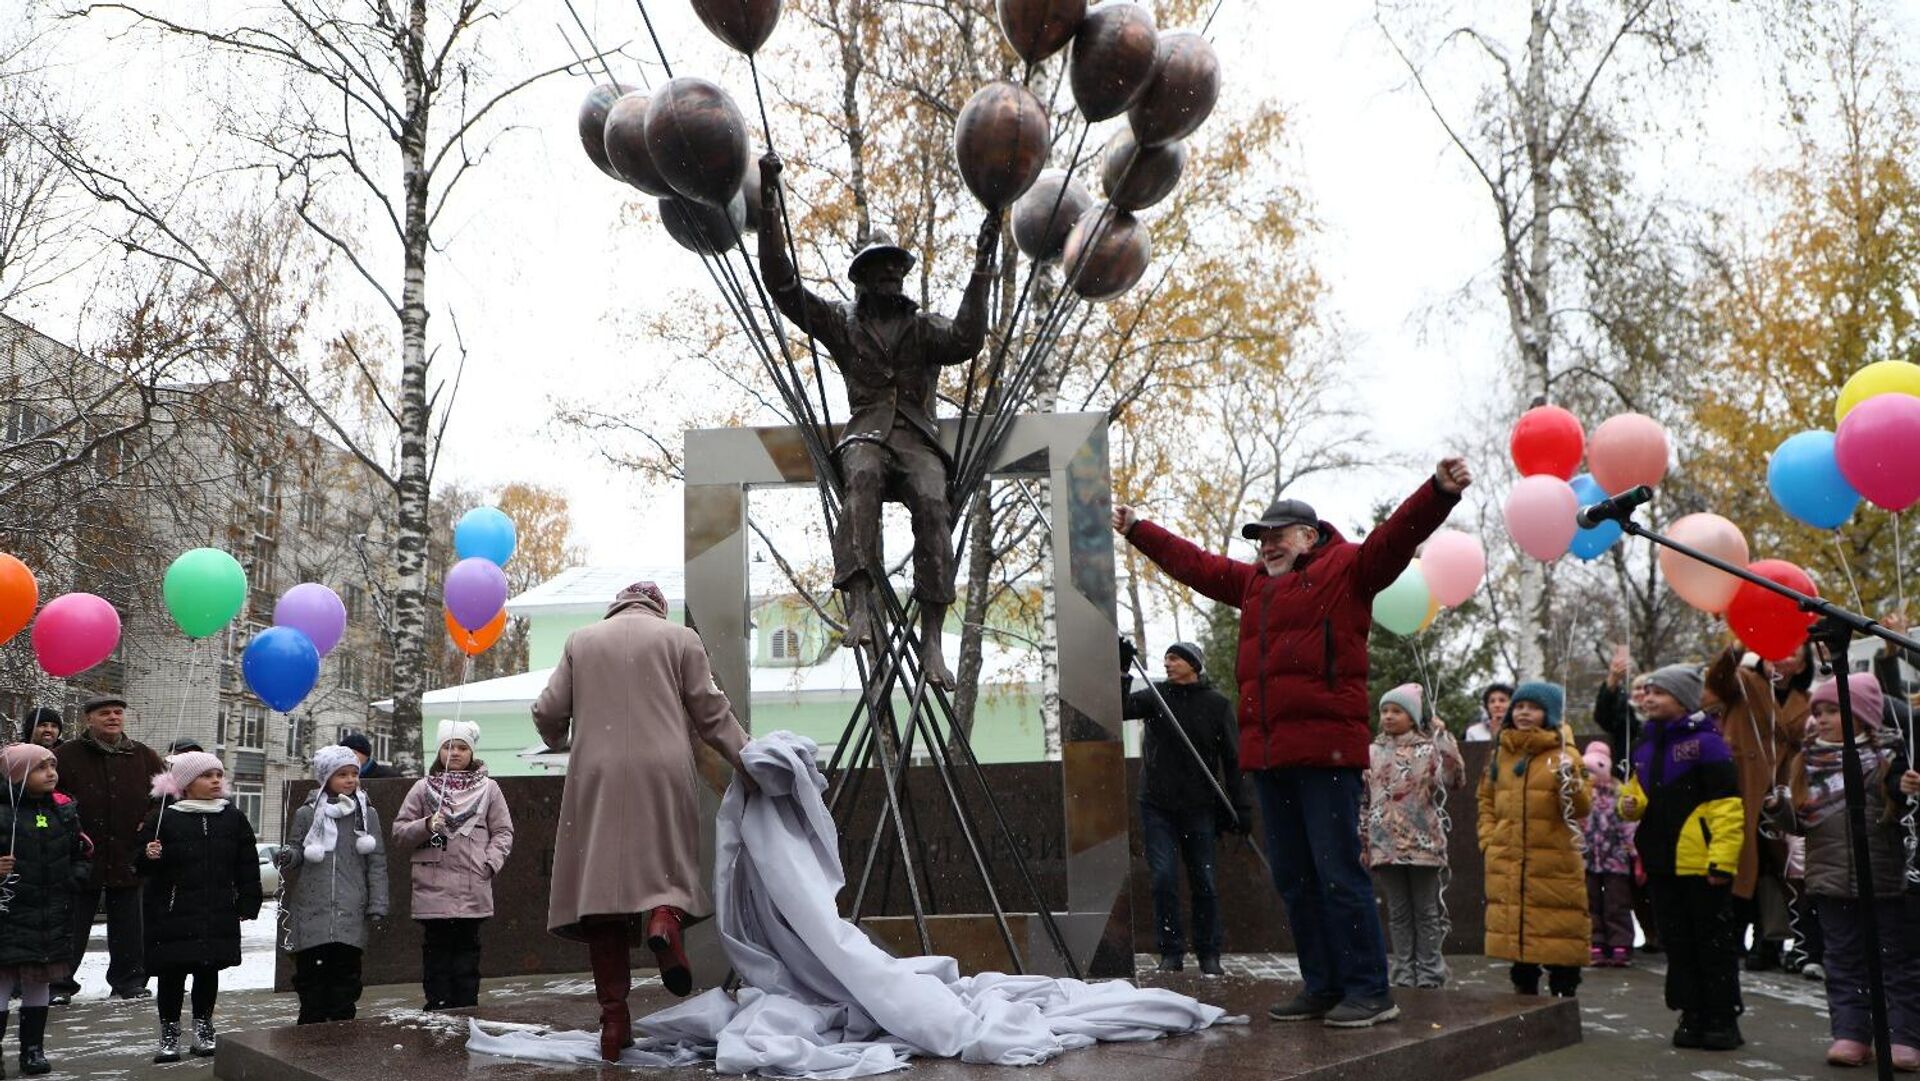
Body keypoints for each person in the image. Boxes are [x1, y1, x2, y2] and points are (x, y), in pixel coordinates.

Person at [1113, 456, 1471, 1028]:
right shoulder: (1253, 585)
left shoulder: (1350, 569)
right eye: (1259, 539)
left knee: (1338, 876)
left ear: (1310, 535)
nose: (1266, 546)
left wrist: (1437, 492)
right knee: (1294, 880)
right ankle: (1323, 984)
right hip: (1269, 758)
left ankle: (1370, 991)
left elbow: (1396, 537)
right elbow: (1195, 565)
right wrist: (1138, 529)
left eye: (1277, 536)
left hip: (1325, 755)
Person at [756, 152, 1000, 688]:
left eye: (897, 270)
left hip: (917, 441)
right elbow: (783, 288)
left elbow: (966, 339)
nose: (891, 278)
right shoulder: (842, 325)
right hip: (866, 433)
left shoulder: (923, 329)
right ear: (862, 278)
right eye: (880, 270)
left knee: (936, 504)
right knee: (860, 479)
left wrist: (984, 264)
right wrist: (770, 206)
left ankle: (932, 638)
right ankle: (861, 604)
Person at [532, 581, 755, 1061]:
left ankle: (614, 1021)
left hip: (597, 772)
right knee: (666, 867)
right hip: (662, 766)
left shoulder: (581, 640)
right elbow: (712, 713)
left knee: (602, 901)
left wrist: (557, 738)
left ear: (616, 606)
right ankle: (664, 920)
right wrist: (751, 762)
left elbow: (548, 709)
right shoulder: (680, 638)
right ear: (658, 608)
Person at [1763, 673, 1920, 1070]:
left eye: (1834, 711)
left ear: (1864, 716)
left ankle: (1904, 1037)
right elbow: (1803, 821)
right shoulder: (1807, 761)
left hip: (1884, 878)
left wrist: (1908, 789)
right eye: (1820, 712)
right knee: (1843, 960)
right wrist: (1778, 808)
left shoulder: (1889, 759)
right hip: (1829, 880)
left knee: (1895, 961)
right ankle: (1851, 1034)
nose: (1823, 719)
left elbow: (1901, 812)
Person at [1619, 663, 1747, 1051]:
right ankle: (1690, 1013)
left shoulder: (1708, 744)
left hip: (1700, 863)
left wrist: (1722, 860)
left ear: (1684, 699)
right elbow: (1640, 790)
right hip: (1661, 862)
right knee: (1678, 943)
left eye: (1660, 692)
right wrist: (1631, 804)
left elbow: (1727, 807)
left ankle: (1722, 1018)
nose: (1650, 698)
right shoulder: (1647, 742)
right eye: (1648, 692)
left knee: (1712, 943)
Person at [1121, 641, 1245, 976]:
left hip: (1199, 805)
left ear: (1193, 664)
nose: (1167, 663)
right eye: (1166, 658)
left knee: (1204, 880)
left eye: (1175, 658)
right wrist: (1122, 670)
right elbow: (1120, 708)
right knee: (1163, 879)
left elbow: (1232, 760)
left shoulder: (1216, 704)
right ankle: (1171, 953)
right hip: (1157, 804)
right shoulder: (1156, 697)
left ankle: (1209, 954)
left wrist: (1241, 806)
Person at [136, 752, 261, 1062]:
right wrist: (147, 855)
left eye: (219, 774)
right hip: (173, 910)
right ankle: (169, 1031)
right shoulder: (164, 816)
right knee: (172, 973)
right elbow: (138, 862)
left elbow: (246, 862)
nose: (216, 780)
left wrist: (248, 899)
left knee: (208, 970)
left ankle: (203, 1026)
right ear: (186, 784)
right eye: (207, 776)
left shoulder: (232, 816)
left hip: (216, 908)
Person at [1478, 682, 1591, 997]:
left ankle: (1563, 994)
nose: (1524, 712)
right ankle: (1523, 993)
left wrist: (1570, 781)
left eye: (1533, 707)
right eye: (1519, 706)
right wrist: (1489, 838)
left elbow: (1583, 807)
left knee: (1559, 930)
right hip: (1508, 855)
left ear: (1550, 713)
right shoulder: (1500, 753)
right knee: (1518, 931)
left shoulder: (1566, 754)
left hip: (1553, 860)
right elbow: (1486, 798)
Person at [1705, 643, 1813, 973]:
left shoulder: (1807, 703)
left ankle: (1770, 940)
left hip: (1781, 789)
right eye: (1777, 650)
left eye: (1794, 653)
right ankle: (1733, 935)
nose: (1783, 657)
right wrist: (1736, 647)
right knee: (1738, 862)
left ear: (1803, 665)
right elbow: (1716, 680)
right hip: (1742, 785)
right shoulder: (1743, 683)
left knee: (1776, 869)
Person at [393, 720, 514, 1011]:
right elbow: (399, 832)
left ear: (472, 752)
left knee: (467, 957)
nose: (455, 753)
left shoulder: (489, 789)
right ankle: (437, 1008)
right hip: (432, 889)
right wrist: (426, 825)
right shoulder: (423, 788)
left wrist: (490, 863)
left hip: (473, 886)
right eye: (449, 746)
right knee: (436, 957)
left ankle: (465, 1009)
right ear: (440, 751)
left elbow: (503, 832)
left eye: (462, 747)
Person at [51, 694, 163, 1002]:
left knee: (129, 927)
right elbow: (50, 795)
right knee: (71, 927)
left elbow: (165, 799)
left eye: (117, 712)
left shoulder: (144, 756)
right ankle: (59, 985)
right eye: (105, 713)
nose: (113, 717)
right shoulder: (66, 755)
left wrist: (149, 823)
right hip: (81, 855)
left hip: (128, 855)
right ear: (89, 719)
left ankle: (129, 982)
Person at [1364, 683, 1464, 989]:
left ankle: (1431, 971)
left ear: (1412, 716)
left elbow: (1453, 778)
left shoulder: (1428, 749)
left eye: (1397, 711)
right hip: (1385, 844)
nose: (1389, 717)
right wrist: (1363, 840)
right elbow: (1363, 799)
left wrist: (1444, 740)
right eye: (1384, 711)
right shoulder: (1372, 751)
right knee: (1398, 913)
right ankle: (1404, 972)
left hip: (1423, 844)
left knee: (1426, 911)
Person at [280, 746, 388, 1026]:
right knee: (310, 980)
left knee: (346, 980)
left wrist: (378, 902)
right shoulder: (307, 814)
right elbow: (296, 847)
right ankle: (311, 1033)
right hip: (312, 909)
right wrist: (289, 855)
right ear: (326, 777)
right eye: (342, 774)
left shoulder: (367, 815)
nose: (351, 779)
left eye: (354, 773)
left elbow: (377, 862)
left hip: (351, 909)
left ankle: (342, 1034)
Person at [0, 743, 89, 1076]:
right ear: (17, 774)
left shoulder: (61, 811)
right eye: (41, 768)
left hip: (48, 913)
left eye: (53, 766)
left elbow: (81, 851)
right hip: (8, 912)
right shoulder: (3, 811)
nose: (51, 773)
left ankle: (32, 1049)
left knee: (39, 983)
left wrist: (74, 877)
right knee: (3, 981)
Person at [1582, 741, 1637, 967]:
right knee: (1590, 902)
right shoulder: (1582, 795)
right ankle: (1595, 940)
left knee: (1617, 902)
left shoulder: (1619, 792)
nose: (1592, 777)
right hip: (1587, 858)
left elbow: (1628, 823)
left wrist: (1631, 847)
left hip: (1615, 858)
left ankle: (1620, 942)